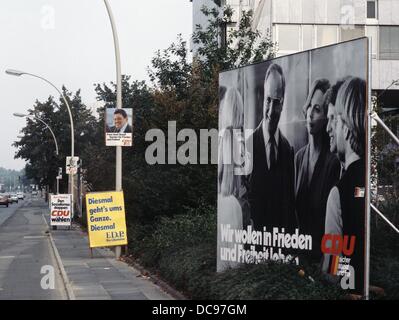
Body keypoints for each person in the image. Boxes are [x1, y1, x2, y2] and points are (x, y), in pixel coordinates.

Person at [324, 77, 366, 295]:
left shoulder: (338, 193)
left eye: (335, 120)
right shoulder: (370, 178)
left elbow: (332, 267)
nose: (329, 128)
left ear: (347, 124)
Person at [247, 63, 296, 234]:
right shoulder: (247, 145)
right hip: (253, 247)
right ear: (262, 98)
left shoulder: (288, 150)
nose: (271, 110)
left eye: (277, 102)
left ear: (283, 104)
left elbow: (289, 206)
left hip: (279, 248)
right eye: (268, 100)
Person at [294, 79, 340, 262]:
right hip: (300, 255)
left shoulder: (333, 162)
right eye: (310, 107)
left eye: (318, 109)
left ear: (326, 116)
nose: (310, 114)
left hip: (323, 258)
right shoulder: (298, 157)